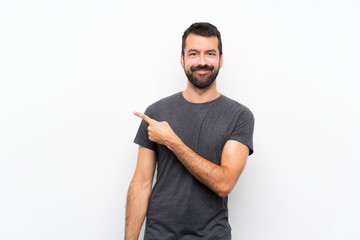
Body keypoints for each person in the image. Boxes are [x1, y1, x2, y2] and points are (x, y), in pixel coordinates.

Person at [125, 22, 254, 240]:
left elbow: (224, 183)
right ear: (182, 60)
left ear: (221, 60)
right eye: (193, 53)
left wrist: (172, 140)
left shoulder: (239, 116)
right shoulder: (156, 112)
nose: (202, 61)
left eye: (210, 53)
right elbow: (141, 183)